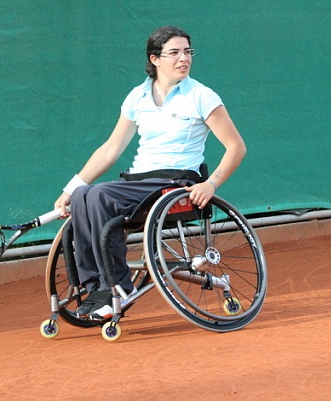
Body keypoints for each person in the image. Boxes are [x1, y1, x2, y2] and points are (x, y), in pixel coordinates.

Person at [54, 25, 246, 320]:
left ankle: (117, 287)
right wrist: (69, 189)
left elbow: (236, 147)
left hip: (175, 181)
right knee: (82, 196)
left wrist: (211, 184)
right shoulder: (137, 97)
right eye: (174, 53)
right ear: (155, 59)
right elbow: (110, 149)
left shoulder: (201, 95)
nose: (184, 58)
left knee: (100, 196)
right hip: (138, 182)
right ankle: (97, 288)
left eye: (188, 52)